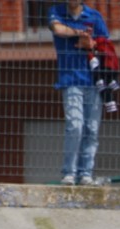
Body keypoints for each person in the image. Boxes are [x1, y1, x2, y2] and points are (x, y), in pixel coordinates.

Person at [48, 0, 110, 186]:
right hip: (70, 80)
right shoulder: (56, 12)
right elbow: (58, 29)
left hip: (93, 80)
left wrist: (89, 44)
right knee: (75, 126)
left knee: (91, 129)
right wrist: (79, 34)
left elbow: (106, 45)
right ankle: (69, 173)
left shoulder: (94, 16)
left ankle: (85, 174)